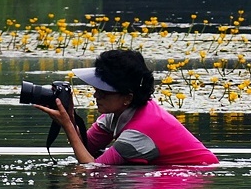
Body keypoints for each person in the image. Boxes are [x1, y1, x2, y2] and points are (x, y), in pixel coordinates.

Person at [33, 49, 219, 166]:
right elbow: (87, 148)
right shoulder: (118, 112)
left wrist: (67, 125)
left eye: (104, 92)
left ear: (127, 98)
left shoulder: (140, 132)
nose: (96, 95)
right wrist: (69, 116)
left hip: (195, 176)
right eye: (96, 89)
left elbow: (93, 170)